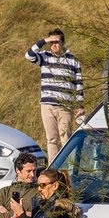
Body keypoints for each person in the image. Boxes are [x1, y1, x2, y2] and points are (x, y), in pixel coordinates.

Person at [25, 28, 85, 161]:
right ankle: (53, 170)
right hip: (47, 106)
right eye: (51, 42)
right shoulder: (45, 56)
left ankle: (68, 171)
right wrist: (43, 41)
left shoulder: (74, 61)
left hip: (65, 106)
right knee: (52, 139)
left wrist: (80, 106)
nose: (53, 45)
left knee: (66, 139)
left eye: (56, 42)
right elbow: (29, 55)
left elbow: (79, 85)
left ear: (63, 43)